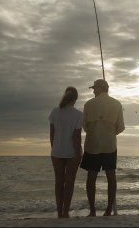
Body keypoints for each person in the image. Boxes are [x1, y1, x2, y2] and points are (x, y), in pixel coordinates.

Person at [80, 79, 125, 216]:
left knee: (91, 177)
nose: (93, 91)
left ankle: (92, 210)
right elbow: (121, 127)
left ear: (101, 88)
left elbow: (85, 126)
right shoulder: (117, 104)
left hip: (92, 145)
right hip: (110, 145)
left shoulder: (88, 104)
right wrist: (110, 133)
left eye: (94, 88)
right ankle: (108, 209)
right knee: (111, 176)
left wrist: (96, 131)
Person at [49, 86, 83, 218]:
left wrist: (55, 147)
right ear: (75, 99)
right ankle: (65, 212)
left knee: (58, 182)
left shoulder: (54, 112)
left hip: (56, 151)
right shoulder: (78, 115)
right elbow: (77, 137)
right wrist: (78, 153)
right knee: (69, 182)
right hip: (71, 153)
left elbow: (51, 135)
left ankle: (59, 212)